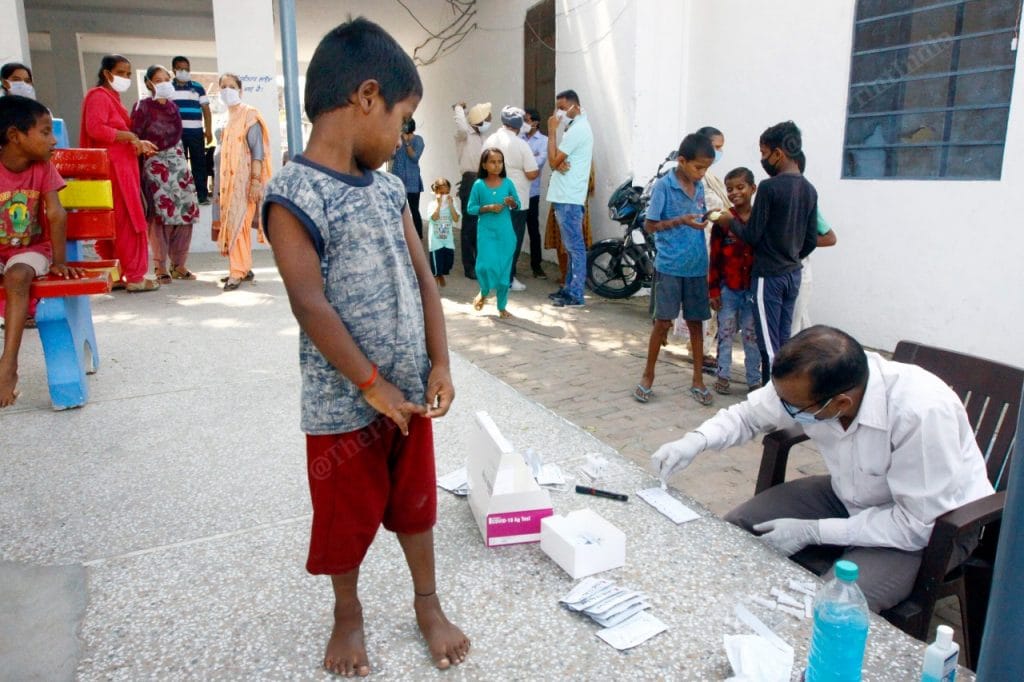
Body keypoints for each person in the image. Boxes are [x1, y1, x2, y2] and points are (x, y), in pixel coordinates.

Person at [261, 18, 469, 676]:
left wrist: (439, 361)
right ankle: (347, 614)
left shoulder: (387, 187)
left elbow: (424, 281)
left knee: (416, 506)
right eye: (406, 120)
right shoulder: (293, 194)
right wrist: (368, 383)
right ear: (368, 97)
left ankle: (426, 604)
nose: (405, 138)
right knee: (344, 518)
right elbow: (308, 301)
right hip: (343, 407)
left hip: (407, 396)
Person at [651, 326, 995, 612]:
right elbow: (748, 415)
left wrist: (814, 531)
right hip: (852, 494)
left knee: (829, 608)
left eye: (795, 407)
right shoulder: (811, 385)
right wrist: (694, 441)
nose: (784, 409)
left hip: (930, 531)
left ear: (841, 402)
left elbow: (916, 527)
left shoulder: (920, 413)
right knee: (736, 528)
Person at [0, 95, 82, 406]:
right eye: (45, 132)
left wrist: (59, 262)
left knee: (18, 275)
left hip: (30, 251)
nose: (54, 139)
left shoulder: (43, 168)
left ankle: (8, 365)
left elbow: (56, 214)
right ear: (14, 136)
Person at [726, 120, 817, 383]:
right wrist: (790, 255)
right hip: (793, 274)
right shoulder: (809, 189)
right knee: (784, 339)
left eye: (764, 153)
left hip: (769, 276)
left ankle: (774, 398)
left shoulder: (768, 187)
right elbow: (810, 240)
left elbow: (751, 236)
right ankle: (782, 396)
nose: (763, 159)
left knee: (768, 345)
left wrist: (728, 222)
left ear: (778, 153)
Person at [633, 133, 714, 406]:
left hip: (696, 265)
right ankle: (648, 376)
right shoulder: (664, 187)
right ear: (682, 161)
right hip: (669, 265)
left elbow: (698, 215)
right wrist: (681, 221)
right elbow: (650, 225)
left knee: (696, 323)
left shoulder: (699, 186)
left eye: (706, 168)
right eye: (698, 167)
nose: (702, 174)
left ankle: (698, 380)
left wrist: (704, 220)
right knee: (662, 322)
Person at [80, 54, 160, 292]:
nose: (125, 78)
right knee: (127, 221)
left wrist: (137, 143)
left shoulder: (111, 98)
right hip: (113, 171)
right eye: (122, 73)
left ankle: (116, 275)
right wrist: (129, 136)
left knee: (114, 223)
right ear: (107, 73)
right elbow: (95, 128)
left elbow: (114, 134)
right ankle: (135, 277)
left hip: (119, 166)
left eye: (128, 73)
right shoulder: (98, 96)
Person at [131, 65, 200, 284]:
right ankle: (160, 266)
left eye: (166, 79)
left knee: (185, 212)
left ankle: (179, 264)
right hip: (155, 165)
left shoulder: (173, 108)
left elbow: (178, 135)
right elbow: (135, 137)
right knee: (160, 216)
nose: (164, 83)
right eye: (158, 80)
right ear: (149, 83)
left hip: (178, 163)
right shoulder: (142, 107)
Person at [213, 73, 271, 291]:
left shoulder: (250, 115)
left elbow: (258, 152)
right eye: (223, 87)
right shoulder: (226, 119)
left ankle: (236, 273)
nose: (227, 90)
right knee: (237, 226)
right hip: (229, 185)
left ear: (240, 90)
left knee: (240, 224)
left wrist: (256, 181)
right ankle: (243, 268)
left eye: (232, 86)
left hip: (246, 180)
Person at [708, 167, 760, 395]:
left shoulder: (760, 219)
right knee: (726, 333)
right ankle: (723, 375)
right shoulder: (723, 220)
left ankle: (754, 380)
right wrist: (713, 290)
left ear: (753, 188)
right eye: (730, 189)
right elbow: (715, 257)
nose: (735, 193)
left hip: (752, 290)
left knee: (751, 336)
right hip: (728, 288)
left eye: (741, 187)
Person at [546, 89, 593, 307]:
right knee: (571, 247)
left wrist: (551, 132)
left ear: (575, 106)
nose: (559, 113)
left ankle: (576, 294)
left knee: (575, 247)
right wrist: (558, 161)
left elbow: (553, 161)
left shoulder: (578, 130)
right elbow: (556, 162)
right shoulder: (574, 128)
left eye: (563, 108)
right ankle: (569, 289)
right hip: (565, 195)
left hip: (569, 197)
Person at [484, 105, 538, 292]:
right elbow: (532, 173)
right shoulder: (521, 144)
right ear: (517, 124)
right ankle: (507, 279)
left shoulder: (490, 140)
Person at [467, 148, 520, 319]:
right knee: (485, 266)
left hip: (506, 234)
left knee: (504, 272)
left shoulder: (508, 183)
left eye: (500, 162)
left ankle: (501, 306)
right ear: (484, 164)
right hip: (486, 233)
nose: (497, 165)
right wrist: (487, 208)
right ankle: (483, 292)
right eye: (492, 162)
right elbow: (470, 208)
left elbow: (517, 204)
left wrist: (512, 202)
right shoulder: (478, 185)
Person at [790, 154, 837, 335]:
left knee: (793, 326)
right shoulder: (772, 198)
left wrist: (797, 241)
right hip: (779, 271)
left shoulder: (806, 202)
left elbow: (830, 238)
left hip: (799, 269)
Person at [452, 100, 491, 279]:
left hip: (482, 181)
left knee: (481, 225)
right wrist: (459, 109)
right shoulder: (465, 135)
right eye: (488, 118)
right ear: (480, 121)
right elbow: (461, 126)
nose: (490, 120)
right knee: (469, 225)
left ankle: (479, 262)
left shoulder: (481, 138)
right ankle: (469, 267)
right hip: (470, 181)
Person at [169, 56, 212, 204]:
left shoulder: (198, 87)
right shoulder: (168, 88)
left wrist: (209, 130)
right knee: (179, 164)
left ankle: (202, 195)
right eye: (181, 69)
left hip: (196, 132)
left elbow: (206, 109)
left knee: (199, 163)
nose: (184, 71)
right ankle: (181, 196)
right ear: (174, 69)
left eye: (187, 69)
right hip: (176, 134)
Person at [544, 166, 594, 287]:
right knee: (562, 241)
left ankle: (571, 279)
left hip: (571, 204)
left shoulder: (583, 161)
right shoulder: (569, 158)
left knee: (570, 243)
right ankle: (565, 275)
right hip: (564, 201)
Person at [520, 107, 547, 279]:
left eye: (527, 120)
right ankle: (511, 267)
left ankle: (536, 265)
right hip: (517, 191)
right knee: (515, 229)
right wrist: (529, 160)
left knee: (533, 229)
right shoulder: (518, 138)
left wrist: (524, 163)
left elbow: (539, 163)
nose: (524, 124)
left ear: (535, 122)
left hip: (532, 192)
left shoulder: (544, 140)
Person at [390, 117, 425, 239]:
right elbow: (391, 156)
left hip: (412, 181)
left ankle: (418, 235)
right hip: (397, 179)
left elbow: (414, 158)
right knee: (397, 209)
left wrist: (407, 143)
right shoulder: (397, 140)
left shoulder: (418, 140)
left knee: (414, 209)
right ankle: (398, 235)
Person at [426, 177, 458, 287]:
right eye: (441, 193)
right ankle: (435, 285)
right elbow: (434, 218)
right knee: (436, 268)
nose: (444, 195)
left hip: (448, 241)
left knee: (448, 264)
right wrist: (439, 205)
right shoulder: (432, 204)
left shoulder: (452, 203)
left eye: (447, 193)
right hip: (436, 242)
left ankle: (440, 274)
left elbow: (456, 219)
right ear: (436, 192)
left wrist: (451, 205)